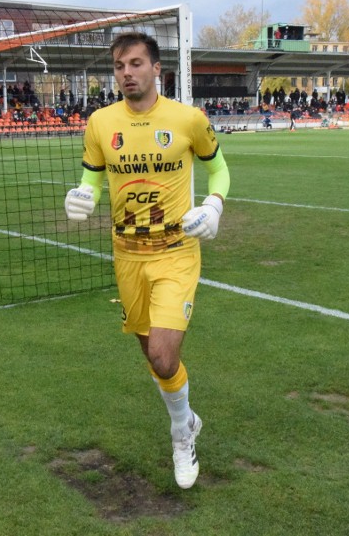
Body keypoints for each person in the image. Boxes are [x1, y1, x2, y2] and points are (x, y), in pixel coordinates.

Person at [64, 31, 230, 490]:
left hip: (175, 251)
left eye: (136, 64)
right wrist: (83, 195)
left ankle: (181, 435)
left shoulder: (187, 119)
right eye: (119, 66)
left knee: (162, 355)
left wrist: (214, 204)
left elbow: (218, 167)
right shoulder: (100, 122)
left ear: (158, 69)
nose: (126, 73)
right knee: (150, 355)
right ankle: (188, 417)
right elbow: (92, 178)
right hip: (126, 254)